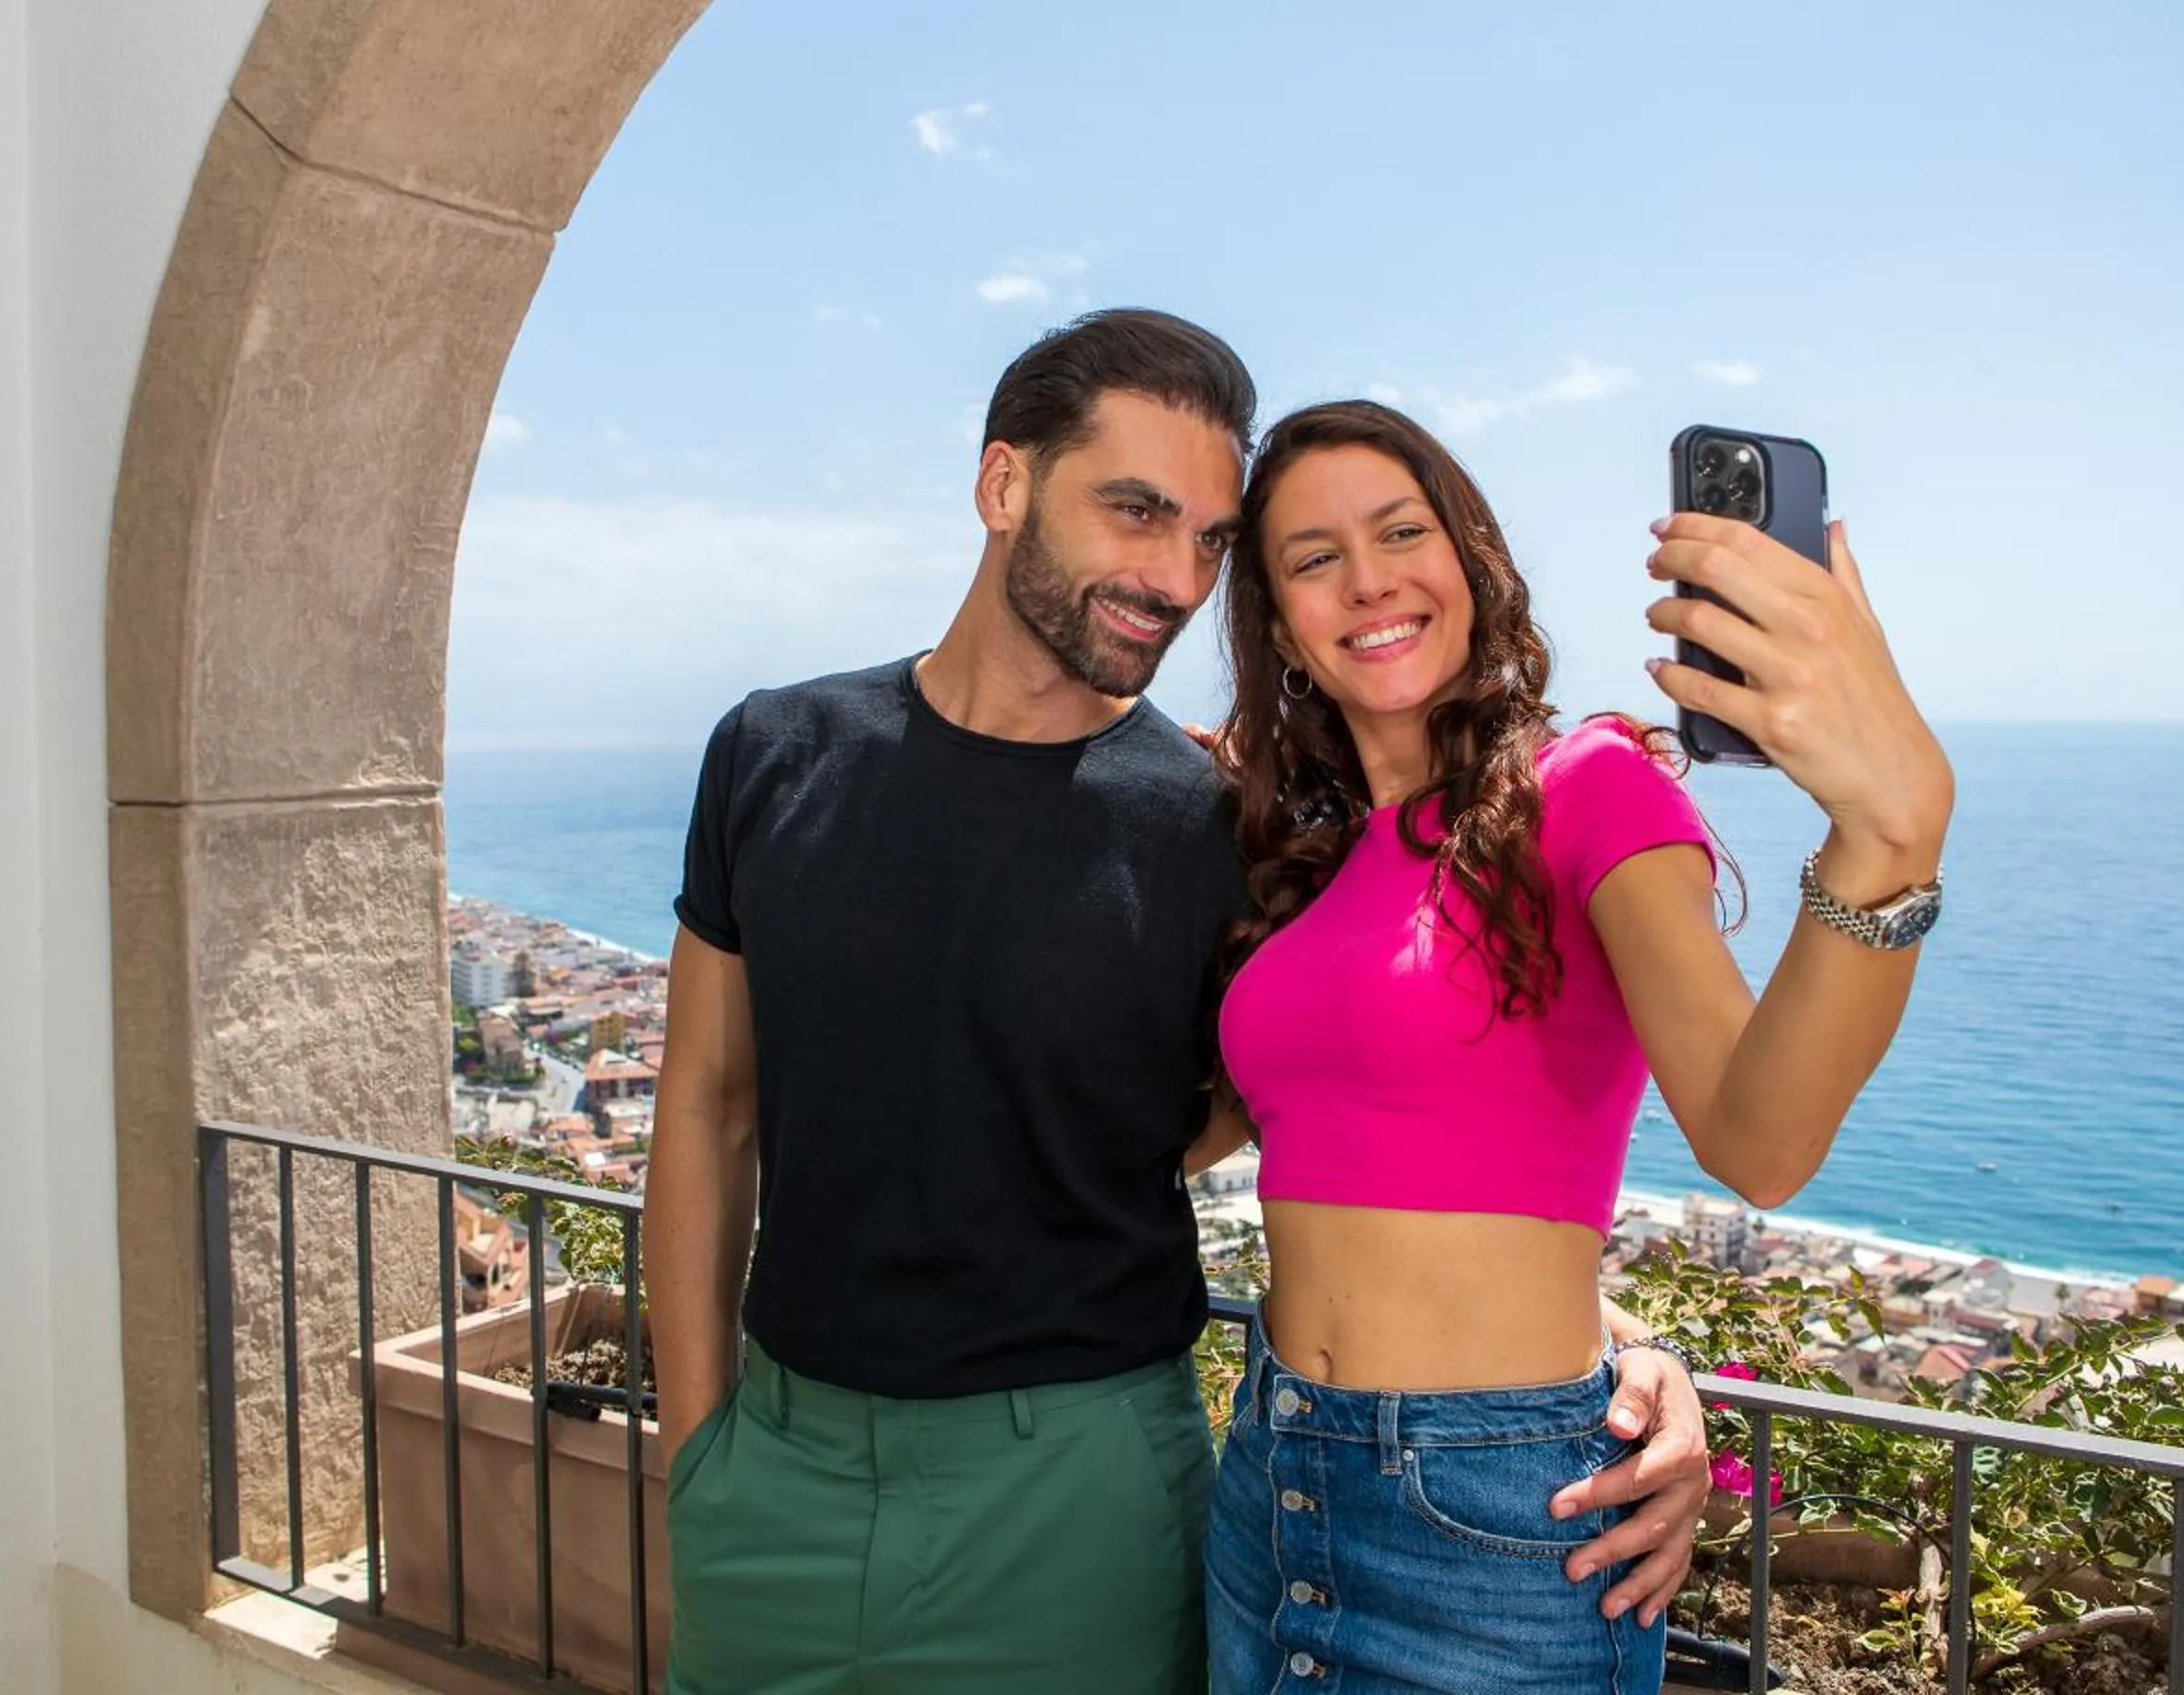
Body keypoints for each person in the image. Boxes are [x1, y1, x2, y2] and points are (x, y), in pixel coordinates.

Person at [643, 311, 1716, 1695]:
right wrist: (700, 1442)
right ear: (1004, 485)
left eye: (1211, 541)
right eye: (1136, 511)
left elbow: (1376, 1109)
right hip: (773, 1477)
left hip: (1081, 1492)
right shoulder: (773, 751)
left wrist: (1618, 1354)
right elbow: (705, 1101)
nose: (1174, 576)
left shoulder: (1228, 828)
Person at [1200, 399, 1954, 1691]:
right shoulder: (1294, 863)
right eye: (1314, 558)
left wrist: (1892, 840)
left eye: (1400, 531)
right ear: (1278, 619)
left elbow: (1759, 1141)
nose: (1369, 579)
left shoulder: (1589, 786)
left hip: (1496, 1524)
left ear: (1470, 561)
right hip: (1268, 1479)